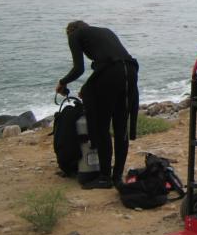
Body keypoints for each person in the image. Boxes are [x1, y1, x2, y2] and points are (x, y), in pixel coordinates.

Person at [55, 21, 139, 189]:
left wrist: (62, 83)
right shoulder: (104, 31)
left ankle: (105, 177)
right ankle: (117, 177)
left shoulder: (74, 35)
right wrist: (89, 88)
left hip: (111, 73)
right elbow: (110, 62)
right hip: (130, 71)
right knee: (121, 127)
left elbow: (79, 69)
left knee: (101, 127)